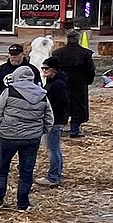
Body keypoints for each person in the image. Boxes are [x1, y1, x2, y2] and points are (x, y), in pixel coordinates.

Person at [0, 65, 53, 212]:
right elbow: (49, 118)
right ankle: (23, 203)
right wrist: (40, 131)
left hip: (8, 136)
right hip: (31, 139)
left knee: (2, 169)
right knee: (26, 171)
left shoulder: (9, 91)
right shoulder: (42, 94)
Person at [55, 28, 96, 138]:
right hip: (79, 83)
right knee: (78, 105)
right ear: (77, 39)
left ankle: (59, 128)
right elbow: (90, 70)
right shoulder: (85, 53)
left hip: (62, 83)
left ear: (67, 39)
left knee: (62, 104)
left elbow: (53, 69)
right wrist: (88, 81)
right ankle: (74, 129)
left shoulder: (57, 53)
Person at [36, 56, 70, 187]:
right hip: (56, 119)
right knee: (54, 148)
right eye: (42, 68)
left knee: (52, 148)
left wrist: (47, 112)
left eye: (46, 68)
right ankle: (56, 173)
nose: (44, 71)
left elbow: (61, 103)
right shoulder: (54, 82)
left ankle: (53, 176)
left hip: (55, 120)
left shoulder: (58, 84)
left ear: (54, 70)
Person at [0, 43, 42, 115]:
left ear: (22, 54)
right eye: (11, 54)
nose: (13, 57)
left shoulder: (31, 70)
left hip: (26, 105)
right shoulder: (2, 69)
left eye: (16, 55)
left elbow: (38, 88)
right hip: (5, 104)